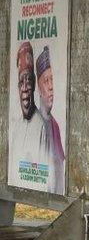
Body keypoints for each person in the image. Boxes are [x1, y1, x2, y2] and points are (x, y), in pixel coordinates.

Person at [8, 41, 64, 193]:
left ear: (34, 86)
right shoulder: (17, 127)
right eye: (21, 82)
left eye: (29, 81)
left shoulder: (43, 126)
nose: (25, 88)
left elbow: (52, 177)